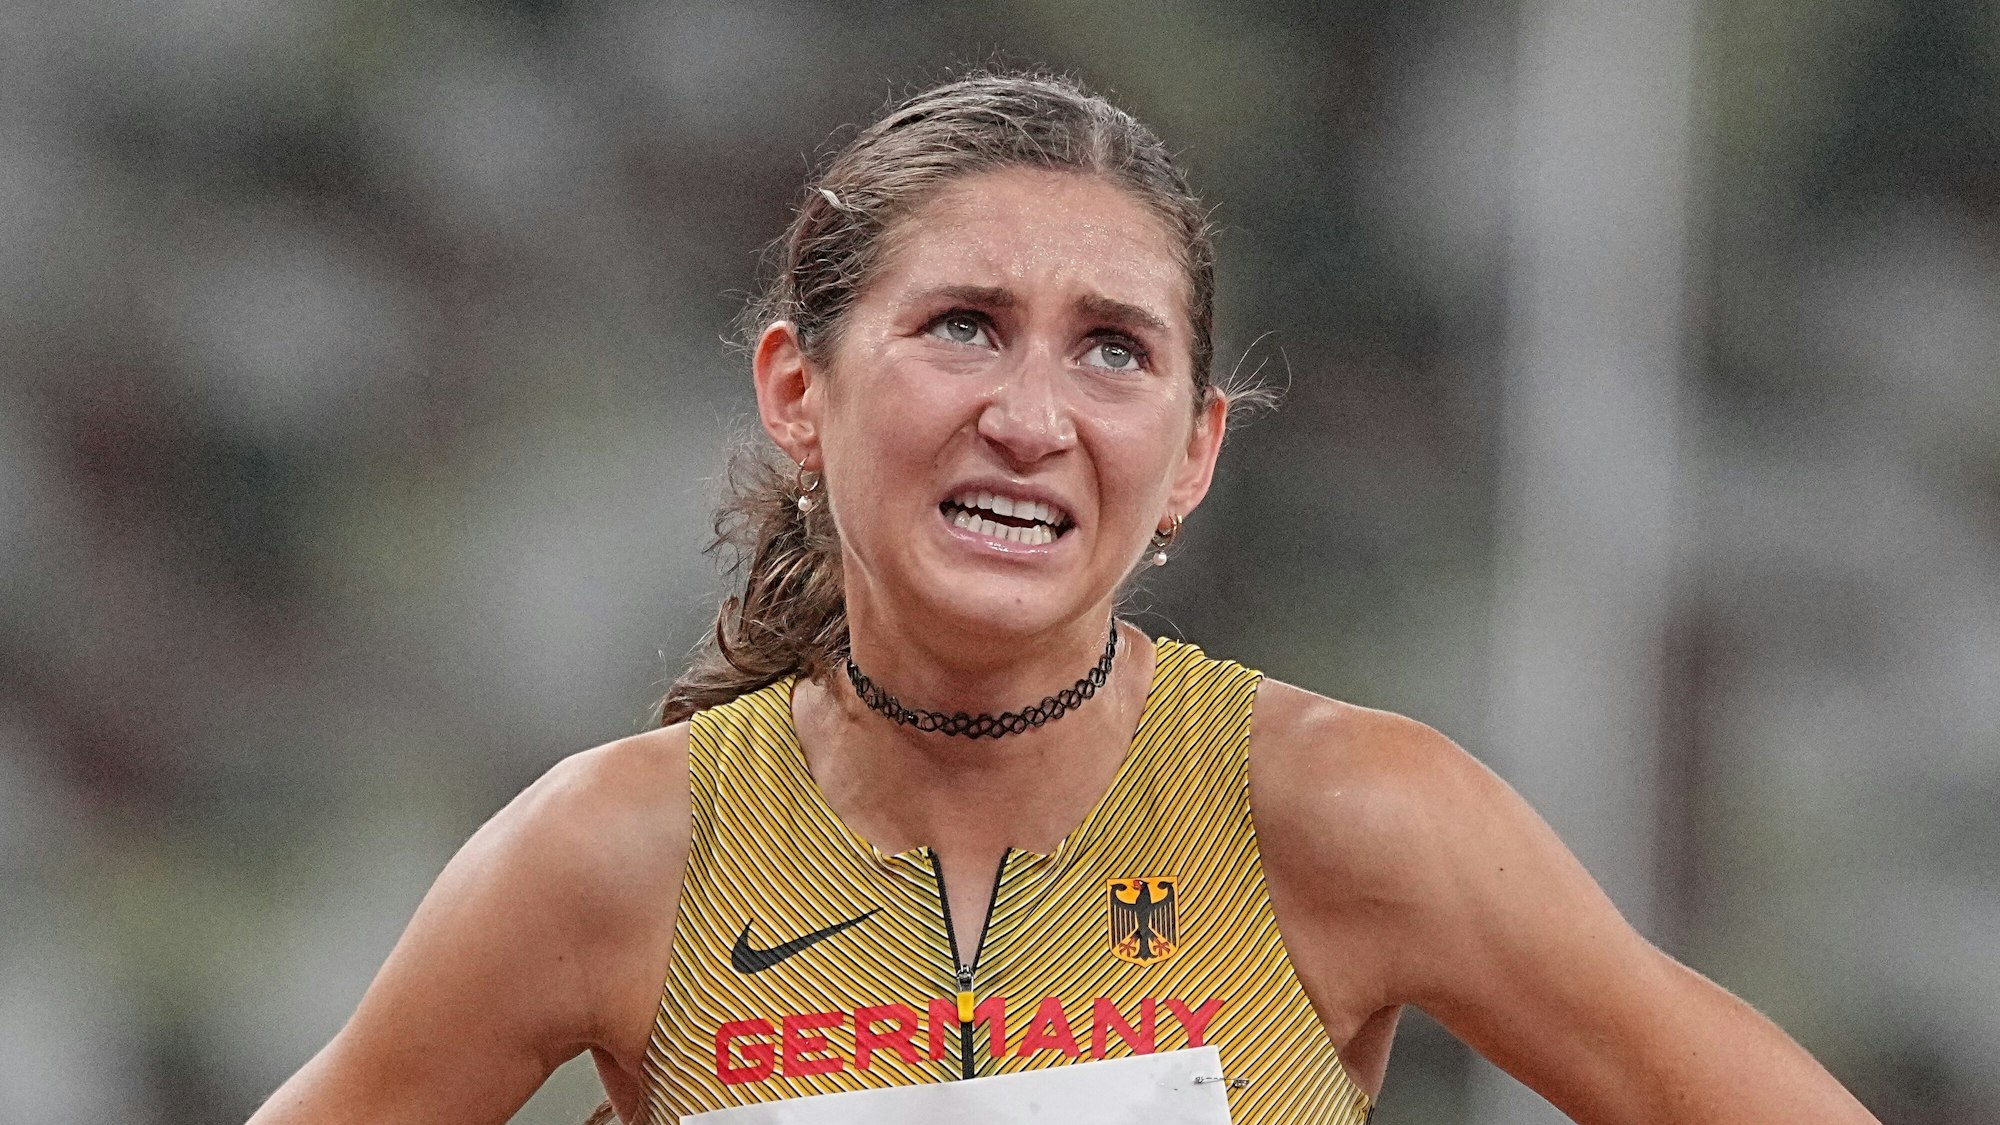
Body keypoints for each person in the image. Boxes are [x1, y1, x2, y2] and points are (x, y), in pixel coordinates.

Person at [248, 71, 1880, 1125]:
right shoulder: (608, 857)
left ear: (1191, 452)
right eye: (963, 322)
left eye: (1114, 347)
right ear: (797, 391)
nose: (1031, 417)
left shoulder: (1341, 811)